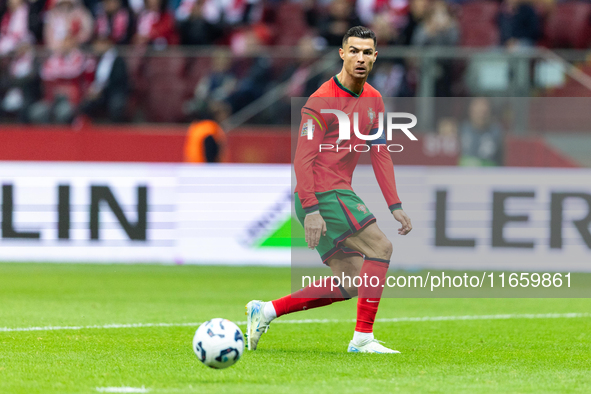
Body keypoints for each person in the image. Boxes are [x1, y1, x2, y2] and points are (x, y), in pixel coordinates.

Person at [246, 26, 412, 354]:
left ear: (375, 57)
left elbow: (380, 153)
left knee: (350, 282)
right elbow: (302, 158)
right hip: (322, 193)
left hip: (333, 194)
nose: (360, 58)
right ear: (342, 53)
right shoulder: (321, 101)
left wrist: (394, 204)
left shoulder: (375, 101)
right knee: (381, 247)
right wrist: (310, 208)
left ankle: (265, 311)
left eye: (367, 52)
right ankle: (363, 338)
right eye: (354, 51)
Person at [459, 97, 503, 166]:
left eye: (484, 112)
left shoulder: (497, 133)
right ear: (470, 111)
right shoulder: (461, 130)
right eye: (478, 111)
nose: (481, 115)